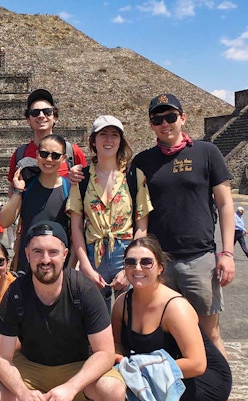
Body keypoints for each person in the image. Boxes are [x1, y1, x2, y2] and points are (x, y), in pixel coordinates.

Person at [132, 93, 235, 358]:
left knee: (209, 333)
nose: (165, 123)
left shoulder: (207, 152)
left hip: (199, 257)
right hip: (159, 262)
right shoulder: (143, 161)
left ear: (183, 118)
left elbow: (225, 204)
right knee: (164, 333)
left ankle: (217, 388)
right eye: (157, 119)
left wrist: (227, 254)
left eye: (170, 117)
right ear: (151, 124)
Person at [0, 221, 125, 401]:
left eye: (53, 252)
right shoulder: (15, 293)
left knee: (112, 389)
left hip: (79, 367)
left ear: (65, 255)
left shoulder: (84, 290)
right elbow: (1, 357)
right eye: (38, 252)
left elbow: (105, 352)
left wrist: (71, 387)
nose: (45, 260)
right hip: (31, 367)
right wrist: (22, 393)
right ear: (27, 254)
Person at [111, 236, 232, 400]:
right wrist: (120, 359)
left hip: (200, 379)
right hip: (157, 373)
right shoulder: (122, 304)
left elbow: (197, 364)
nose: (137, 268)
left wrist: (142, 368)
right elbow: (117, 343)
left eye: (146, 262)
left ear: (160, 268)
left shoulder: (176, 307)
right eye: (130, 262)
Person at [67, 115, 153, 312]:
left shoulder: (133, 175)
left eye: (114, 135)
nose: (108, 140)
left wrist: (130, 266)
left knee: (129, 315)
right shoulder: (81, 179)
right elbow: (76, 227)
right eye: (103, 135)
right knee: (97, 319)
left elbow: (141, 226)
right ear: (93, 141)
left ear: (121, 141)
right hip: (92, 254)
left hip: (126, 252)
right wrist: (86, 266)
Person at [0, 134, 71, 274]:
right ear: (37, 155)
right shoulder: (27, 185)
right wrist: (18, 191)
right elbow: (4, 221)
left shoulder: (70, 189)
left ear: (63, 159)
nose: (49, 159)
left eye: (55, 155)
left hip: (56, 267)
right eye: (44, 154)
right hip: (26, 264)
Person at [7, 89, 86, 197]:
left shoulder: (72, 151)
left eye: (47, 112)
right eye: (35, 112)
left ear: (55, 117)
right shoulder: (20, 154)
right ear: (28, 119)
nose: (41, 115)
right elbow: (12, 188)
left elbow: (86, 186)